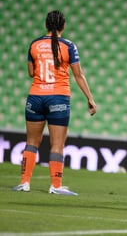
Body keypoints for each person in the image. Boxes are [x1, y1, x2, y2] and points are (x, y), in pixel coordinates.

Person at [12, 10, 97, 195]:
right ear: (63, 26)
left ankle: (24, 183)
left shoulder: (34, 44)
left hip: (35, 97)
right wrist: (90, 98)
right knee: (57, 144)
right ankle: (56, 186)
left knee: (31, 142)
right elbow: (78, 75)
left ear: (46, 25)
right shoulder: (69, 46)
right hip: (58, 98)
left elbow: (31, 72)